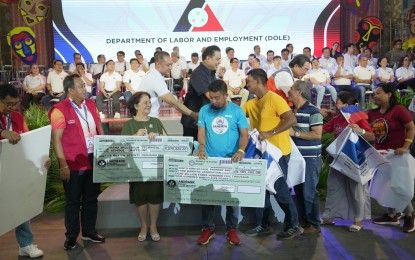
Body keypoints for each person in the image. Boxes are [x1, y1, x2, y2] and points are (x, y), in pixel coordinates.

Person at [243, 69, 302, 240]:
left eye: (249, 81)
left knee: (280, 190)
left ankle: (294, 225)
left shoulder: (275, 99)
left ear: (258, 82)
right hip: (262, 154)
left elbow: (291, 119)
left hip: (279, 154)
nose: (247, 84)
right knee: (261, 191)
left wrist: (272, 132)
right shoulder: (253, 102)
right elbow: (239, 114)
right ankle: (264, 225)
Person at [49, 74, 105, 250]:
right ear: (70, 90)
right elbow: (56, 139)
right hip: (73, 162)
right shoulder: (59, 109)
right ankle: (72, 236)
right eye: (81, 86)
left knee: (91, 198)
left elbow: (98, 127)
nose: (85, 89)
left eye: (84, 86)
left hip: (93, 158)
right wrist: (62, 165)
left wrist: (103, 149)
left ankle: (89, 231)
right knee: (73, 201)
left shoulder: (90, 104)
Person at [0, 83, 50, 258]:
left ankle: (26, 244)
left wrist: (41, 158)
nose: (12, 108)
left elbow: (29, 142)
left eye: (15, 104)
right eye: (8, 104)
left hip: (15, 170)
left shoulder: (18, 118)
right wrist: (2, 132)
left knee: (21, 206)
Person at [197, 80, 248, 245]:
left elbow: (244, 135)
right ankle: (208, 229)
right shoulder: (204, 110)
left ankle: (231, 229)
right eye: (211, 98)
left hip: (231, 161)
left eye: (217, 98)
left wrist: (240, 151)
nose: (213, 101)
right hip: (209, 160)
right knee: (207, 198)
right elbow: (201, 133)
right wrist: (201, 148)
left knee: (231, 198)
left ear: (226, 95)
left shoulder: (237, 111)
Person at [321, 91, 375, 232]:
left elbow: (371, 137)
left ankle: (358, 221)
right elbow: (322, 130)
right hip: (338, 158)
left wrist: (360, 131)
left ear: (345, 104)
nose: (335, 105)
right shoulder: (337, 118)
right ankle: (329, 216)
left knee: (356, 190)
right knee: (333, 187)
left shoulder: (359, 117)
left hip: (356, 159)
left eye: (337, 102)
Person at [368, 83, 415, 233]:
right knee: (384, 185)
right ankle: (392, 214)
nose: (375, 95)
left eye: (378, 93)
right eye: (374, 93)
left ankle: (409, 216)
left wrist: (406, 146)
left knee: (399, 186)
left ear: (389, 95)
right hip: (381, 155)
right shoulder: (373, 113)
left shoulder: (398, 110)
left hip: (398, 154)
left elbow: (411, 127)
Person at [121, 92, 167, 242]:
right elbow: (121, 147)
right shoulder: (129, 125)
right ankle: (144, 226)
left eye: (149, 102)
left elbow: (168, 141)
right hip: (136, 169)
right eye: (145, 102)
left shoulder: (156, 121)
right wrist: (134, 136)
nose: (149, 105)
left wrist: (158, 137)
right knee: (140, 197)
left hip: (155, 168)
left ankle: (153, 226)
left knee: (155, 196)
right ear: (136, 106)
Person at [287, 80, 323, 234]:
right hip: (296, 159)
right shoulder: (291, 110)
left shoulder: (313, 111)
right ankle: (305, 223)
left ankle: (314, 224)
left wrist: (295, 133)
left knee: (309, 192)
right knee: (299, 192)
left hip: (310, 158)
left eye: (291, 89)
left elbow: (317, 134)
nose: (288, 92)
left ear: (299, 92)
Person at [139, 51, 197, 119]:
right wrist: (194, 115)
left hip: (147, 116)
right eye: (167, 65)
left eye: (171, 65)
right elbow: (174, 103)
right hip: (147, 118)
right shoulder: (155, 77)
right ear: (158, 64)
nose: (170, 68)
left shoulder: (153, 74)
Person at [181, 45, 221, 140]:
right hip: (193, 120)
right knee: (189, 150)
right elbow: (211, 97)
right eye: (217, 59)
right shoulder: (198, 73)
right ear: (208, 58)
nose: (219, 62)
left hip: (204, 118)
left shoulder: (211, 73)